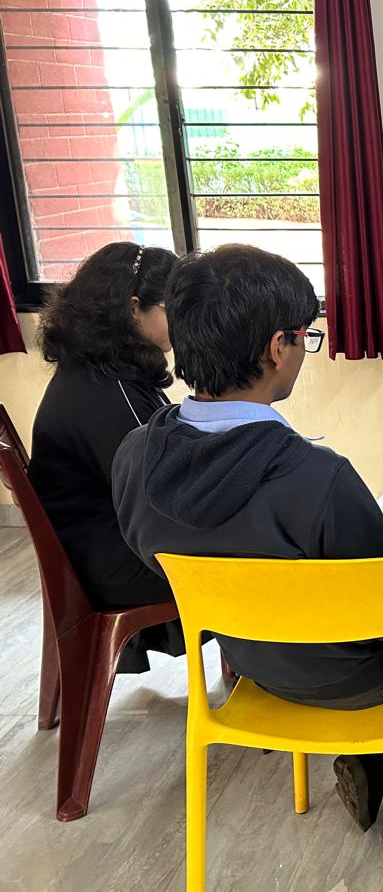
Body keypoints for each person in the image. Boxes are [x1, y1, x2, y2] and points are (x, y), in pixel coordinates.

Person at [111, 244, 383, 851]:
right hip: (362, 679)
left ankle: (380, 758)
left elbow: (149, 552)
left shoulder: (135, 457)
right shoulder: (316, 477)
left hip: (251, 667)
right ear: (277, 347)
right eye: (305, 337)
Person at [28, 242, 184, 673]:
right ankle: (284, 677)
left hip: (98, 547)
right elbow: (162, 494)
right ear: (134, 309)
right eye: (172, 307)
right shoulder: (106, 392)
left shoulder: (97, 371)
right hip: (111, 563)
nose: (182, 319)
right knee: (260, 544)